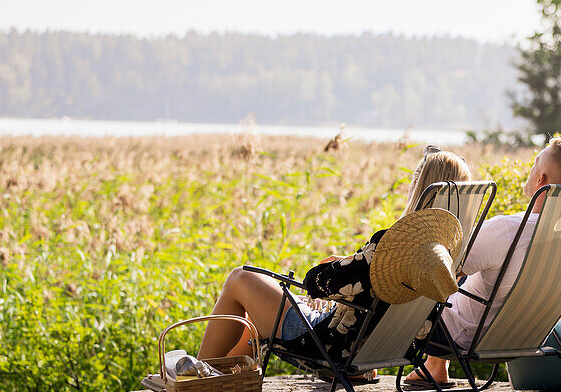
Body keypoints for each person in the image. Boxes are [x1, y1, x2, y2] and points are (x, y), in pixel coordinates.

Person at [194, 147, 472, 374]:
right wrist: (355, 263)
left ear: (421, 186)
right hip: (382, 349)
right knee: (256, 318)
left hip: (332, 344)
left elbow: (316, 282)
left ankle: (193, 378)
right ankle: (219, 383)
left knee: (240, 278)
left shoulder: (392, 249)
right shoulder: (449, 254)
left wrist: (344, 264)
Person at [403, 136, 561, 387]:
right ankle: (434, 368)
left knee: (436, 267)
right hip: (532, 337)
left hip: (463, 336)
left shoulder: (508, 231)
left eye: (534, 164)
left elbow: (440, 270)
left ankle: (425, 362)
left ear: (541, 179)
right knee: (487, 273)